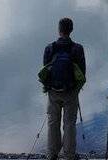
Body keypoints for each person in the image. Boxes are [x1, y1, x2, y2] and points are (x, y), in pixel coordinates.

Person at [43, 17, 86, 160]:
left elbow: (45, 70)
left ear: (59, 30)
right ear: (71, 30)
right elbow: (82, 73)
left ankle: (52, 154)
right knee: (69, 123)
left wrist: (48, 87)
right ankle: (68, 155)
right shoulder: (77, 48)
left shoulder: (49, 48)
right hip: (71, 91)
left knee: (52, 122)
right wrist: (76, 90)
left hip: (53, 91)